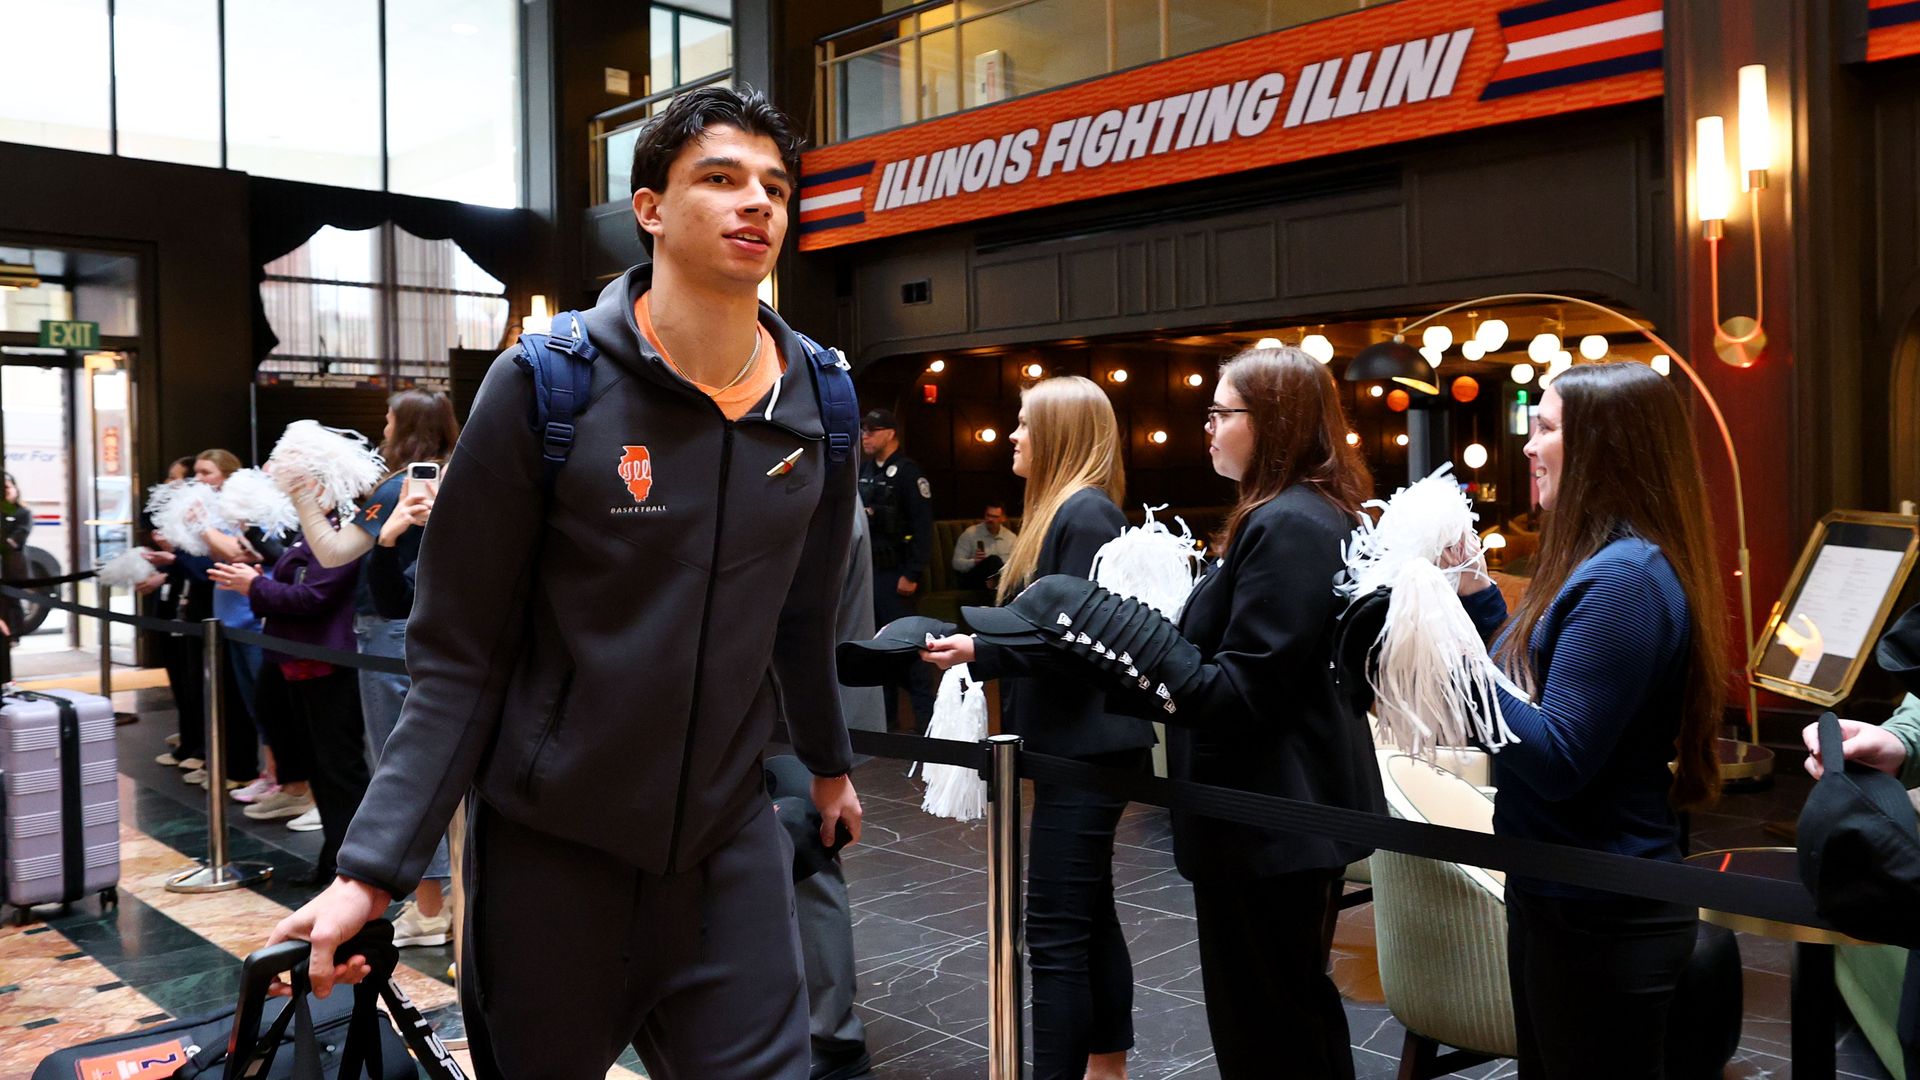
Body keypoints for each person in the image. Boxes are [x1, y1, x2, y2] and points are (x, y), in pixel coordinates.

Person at [267, 85, 863, 1080]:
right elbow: (458, 654)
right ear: (652, 209)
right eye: (719, 179)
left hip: (726, 846)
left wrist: (831, 767)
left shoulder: (822, 396)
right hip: (553, 858)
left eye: (773, 185)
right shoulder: (549, 383)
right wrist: (371, 872)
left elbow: (800, 617)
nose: (755, 202)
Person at [1453, 361, 1727, 1080]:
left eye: (1544, 428)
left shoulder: (1625, 580)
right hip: (1564, 897)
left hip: (1602, 915)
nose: (1528, 445)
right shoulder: (1601, 562)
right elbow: (1531, 683)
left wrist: (1439, 662)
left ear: (1603, 448)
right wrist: (1479, 597)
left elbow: (1557, 757)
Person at [923, 376, 1152, 1080]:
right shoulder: (1069, 514)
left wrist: (980, 652)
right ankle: (1106, 1068)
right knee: (1087, 918)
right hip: (1082, 748)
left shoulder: (1083, 517)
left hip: (1089, 750)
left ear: (1058, 435)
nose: (1014, 436)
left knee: (1054, 932)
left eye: (1024, 424)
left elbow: (1081, 640)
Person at [212, 525, 365, 882]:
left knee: (338, 767)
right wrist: (257, 576)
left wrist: (255, 584)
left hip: (327, 660)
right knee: (320, 763)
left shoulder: (338, 528)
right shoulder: (313, 529)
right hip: (301, 659)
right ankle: (336, 861)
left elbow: (313, 596)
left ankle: (350, 869)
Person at [859, 407, 934, 733]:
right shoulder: (865, 472)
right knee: (877, 650)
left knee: (909, 648)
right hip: (870, 574)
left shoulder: (907, 473)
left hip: (897, 574)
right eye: (863, 431)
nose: (865, 436)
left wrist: (913, 573)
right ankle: (885, 721)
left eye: (872, 431)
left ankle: (926, 724)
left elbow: (922, 527)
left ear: (890, 433)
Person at [949, 500, 1017, 590]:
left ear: (1003, 518)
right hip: (975, 578)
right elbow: (956, 563)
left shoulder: (1011, 538)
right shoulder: (971, 534)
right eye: (988, 515)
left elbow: (1017, 563)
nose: (990, 519)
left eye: (995, 517)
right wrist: (974, 562)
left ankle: (998, 589)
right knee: (993, 560)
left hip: (1002, 577)